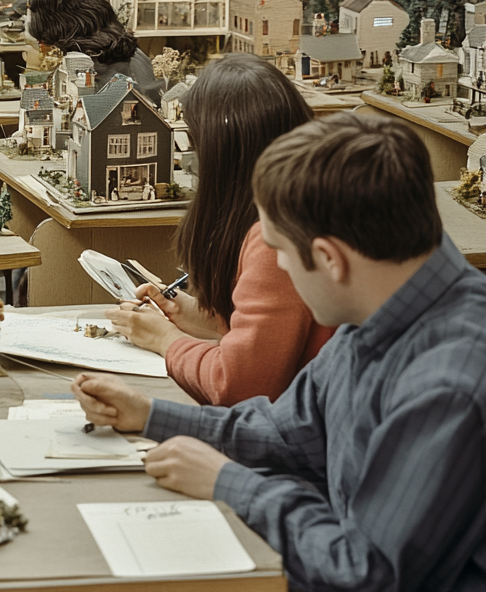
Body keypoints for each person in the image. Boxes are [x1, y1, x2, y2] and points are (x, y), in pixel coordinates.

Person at [73, 115, 486, 592]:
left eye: (279, 251)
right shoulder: (378, 311)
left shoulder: (449, 384)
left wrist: (232, 483)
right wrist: (148, 415)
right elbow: (289, 433)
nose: (278, 267)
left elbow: (366, 574)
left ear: (330, 260)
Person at [104, 55, 334, 405]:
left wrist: (165, 340)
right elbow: (263, 333)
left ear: (224, 152)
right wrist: (179, 311)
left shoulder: (276, 237)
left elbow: (238, 385)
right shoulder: (301, 206)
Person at [25, 0, 162, 105]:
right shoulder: (125, 49)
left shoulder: (87, 67)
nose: (29, 18)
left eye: (32, 11)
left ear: (53, 19)